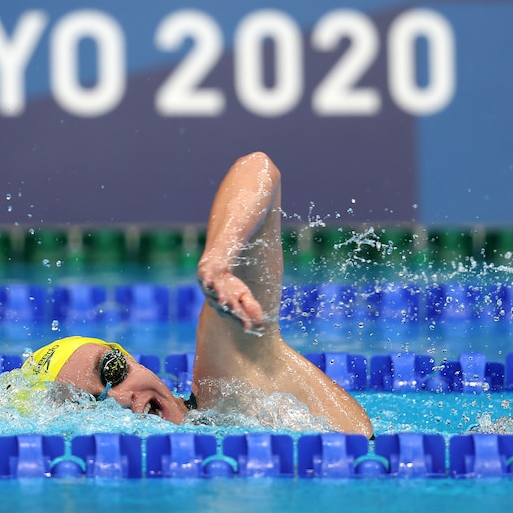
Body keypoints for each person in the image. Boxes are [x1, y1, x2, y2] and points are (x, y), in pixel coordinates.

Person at [22, 152, 374, 437]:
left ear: (132, 360)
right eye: (88, 407)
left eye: (113, 370)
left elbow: (258, 168)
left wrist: (218, 263)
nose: (121, 400)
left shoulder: (232, 390)